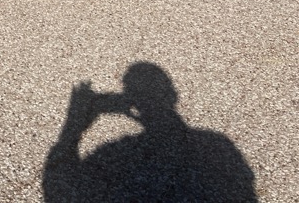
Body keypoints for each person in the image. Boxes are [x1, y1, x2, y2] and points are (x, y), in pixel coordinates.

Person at [43, 62, 257, 201]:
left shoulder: (113, 151)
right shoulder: (216, 144)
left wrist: (72, 127)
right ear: (172, 94)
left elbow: (59, 188)